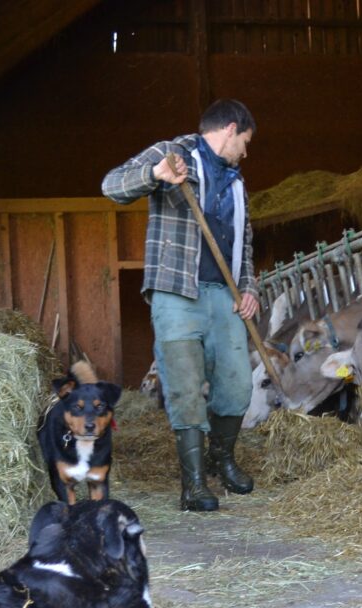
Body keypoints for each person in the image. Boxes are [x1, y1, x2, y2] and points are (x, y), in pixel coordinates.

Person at [101, 99, 261, 512]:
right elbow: (112, 186)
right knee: (185, 387)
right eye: (245, 141)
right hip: (177, 293)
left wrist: (250, 288)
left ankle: (221, 459)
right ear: (230, 129)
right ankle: (193, 485)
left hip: (225, 297)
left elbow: (244, 242)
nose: (246, 151)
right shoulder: (172, 154)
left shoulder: (236, 181)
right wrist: (155, 174)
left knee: (237, 385)